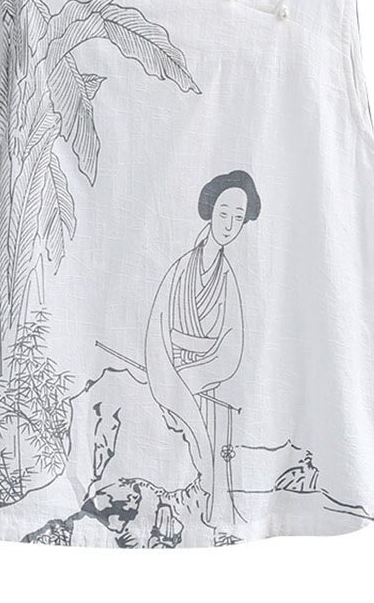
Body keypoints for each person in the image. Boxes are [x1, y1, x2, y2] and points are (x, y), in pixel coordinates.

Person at [144, 170, 260, 525]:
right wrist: (174, 362)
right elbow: (158, 327)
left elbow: (231, 345)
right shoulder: (181, 268)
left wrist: (190, 365)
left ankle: (210, 511)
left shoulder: (228, 278)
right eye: (224, 212)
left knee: (212, 453)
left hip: (204, 386)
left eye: (238, 217)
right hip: (172, 368)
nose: (229, 224)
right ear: (210, 209)